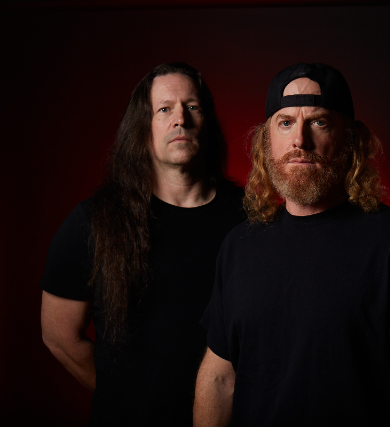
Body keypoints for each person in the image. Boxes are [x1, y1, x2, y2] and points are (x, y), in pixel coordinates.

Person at [193, 63, 390, 426]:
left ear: (351, 139)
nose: (299, 141)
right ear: (266, 141)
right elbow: (219, 378)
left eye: (319, 122)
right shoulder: (239, 246)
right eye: (285, 123)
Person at [40, 63, 245, 426]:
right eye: (164, 109)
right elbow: (59, 336)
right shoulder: (95, 221)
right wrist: (124, 397)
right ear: (142, 126)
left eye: (192, 106)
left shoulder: (249, 220)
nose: (180, 119)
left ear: (208, 121)